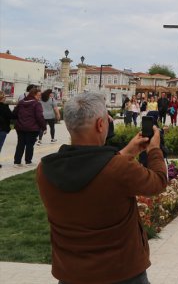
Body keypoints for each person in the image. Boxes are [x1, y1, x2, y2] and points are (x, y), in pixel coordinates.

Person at [36, 91, 167, 284]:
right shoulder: (119, 170)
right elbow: (158, 182)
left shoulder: (44, 170)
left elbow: (92, 169)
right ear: (100, 125)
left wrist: (127, 152)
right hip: (121, 273)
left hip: (71, 273)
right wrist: (154, 149)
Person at [13, 85, 46, 167]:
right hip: (32, 128)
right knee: (30, 145)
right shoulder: (36, 104)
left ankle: (17, 162)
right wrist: (44, 127)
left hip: (20, 127)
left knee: (20, 144)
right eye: (38, 95)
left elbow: (14, 114)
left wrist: (20, 120)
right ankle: (28, 161)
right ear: (33, 95)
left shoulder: (21, 102)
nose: (39, 97)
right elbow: (39, 117)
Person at [0, 91, 13, 168]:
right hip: (2, 129)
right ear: (2, 98)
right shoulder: (5, 107)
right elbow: (11, 117)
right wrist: (10, 128)